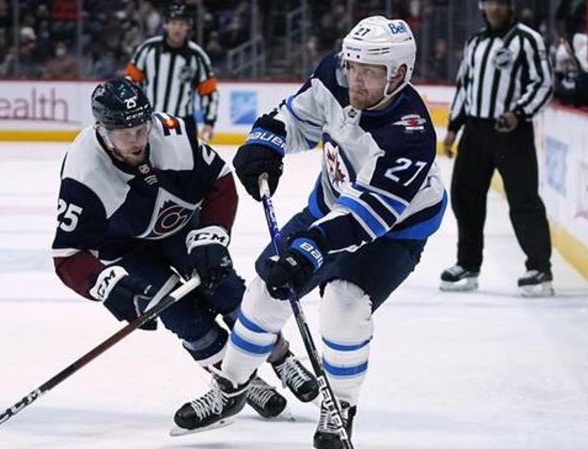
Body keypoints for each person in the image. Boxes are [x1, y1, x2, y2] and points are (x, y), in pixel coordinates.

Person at [173, 16, 447, 449]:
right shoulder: (335, 76)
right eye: (353, 66)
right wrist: (265, 143)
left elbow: (366, 215)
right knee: (264, 291)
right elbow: (296, 118)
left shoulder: (409, 134)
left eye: (370, 72)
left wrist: (309, 249)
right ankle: (231, 388)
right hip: (330, 204)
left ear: (399, 75)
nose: (356, 79)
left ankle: (340, 407)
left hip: (394, 231)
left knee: (344, 304)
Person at [50, 78, 319, 423]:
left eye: (141, 128)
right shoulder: (83, 175)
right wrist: (106, 285)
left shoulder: (171, 135)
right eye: (125, 133)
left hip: (178, 227)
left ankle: (281, 357)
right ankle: (237, 382)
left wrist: (212, 233)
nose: (137, 140)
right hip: (124, 248)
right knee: (182, 316)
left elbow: (220, 179)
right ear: (101, 130)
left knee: (225, 289)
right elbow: (68, 255)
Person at [440, 0, 554, 296]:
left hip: (511, 131)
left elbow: (543, 83)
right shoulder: (475, 41)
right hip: (475, 131)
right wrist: (453, 127)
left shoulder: (527, 39)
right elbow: (464, 86)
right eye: (490, 2)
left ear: (511, 6)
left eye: (501, 3)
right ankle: (468, 264)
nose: (495, 9)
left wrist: (519, 112)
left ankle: (539, 268)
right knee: (465, 197)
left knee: (523, 199)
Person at [125, 1, 219, 142]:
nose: (177, 28)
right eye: (174, 23)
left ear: (188, 26)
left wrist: (209, 122)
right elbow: (131, 83)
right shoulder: (147, 50)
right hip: (150, 121)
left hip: (183, 123)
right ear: (165, 24)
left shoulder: (197, 56)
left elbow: (209, 91)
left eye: (181, 24)